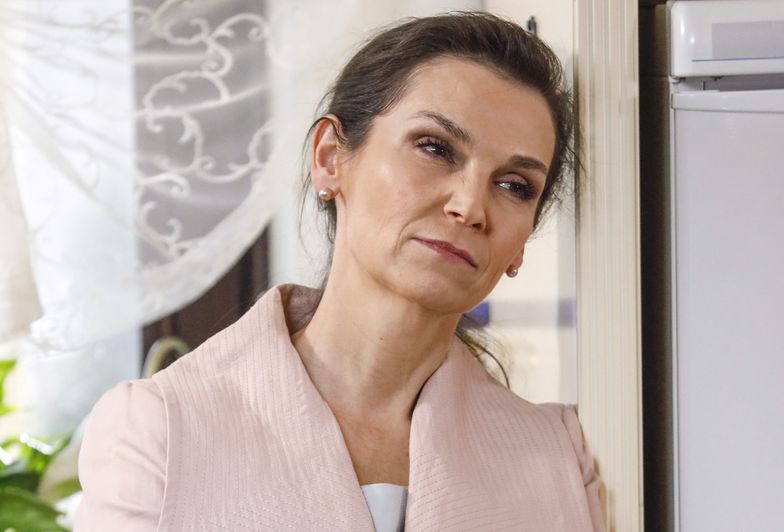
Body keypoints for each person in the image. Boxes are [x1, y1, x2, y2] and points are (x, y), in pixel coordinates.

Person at [74, 11, 605, 532]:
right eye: (435, 148)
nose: (470, 206)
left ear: (522, 243)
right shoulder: (161, 432)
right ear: (330, 158)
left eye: (515, 186)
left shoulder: (562, 458)